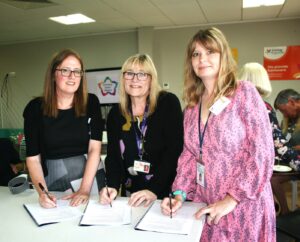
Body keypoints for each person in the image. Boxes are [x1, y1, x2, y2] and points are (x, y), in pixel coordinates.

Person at [161, 27, 276, 241]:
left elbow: (263, 153)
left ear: (223, 55)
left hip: (244, 206)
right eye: (196, 54)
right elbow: (189, 155)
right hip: (207, 204)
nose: (202, 59)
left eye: (210, 52)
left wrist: (231, 199)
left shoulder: (244, 93)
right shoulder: (192, 107)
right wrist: (179, 194)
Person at [99, 54, 183, 207]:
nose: (134, 79)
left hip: (164, 196)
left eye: (142, 74)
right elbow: (113, 157)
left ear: (151, 79)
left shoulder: (167, 103)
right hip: (131, 196)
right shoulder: (116, 114)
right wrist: (111, 185)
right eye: (129, 73)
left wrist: (153, 190)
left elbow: (174, 152)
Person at [23, 49, 104, 208]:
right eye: (65, 70)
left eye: (77, 71)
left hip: (90, 175)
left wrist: (85, 189)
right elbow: (33, 158)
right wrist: (43, 193)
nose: (72, 76)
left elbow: (95, 148)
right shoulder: (35, 109)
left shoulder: (91, 102)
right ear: (53, 74)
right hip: (55, 177)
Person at [239, 63, 300, 214]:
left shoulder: (234, 104)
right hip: (258, 165)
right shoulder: (263, 107)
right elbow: (278, 144)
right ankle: (286, 216)